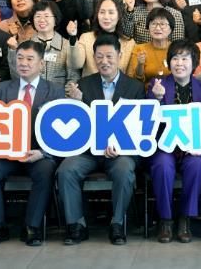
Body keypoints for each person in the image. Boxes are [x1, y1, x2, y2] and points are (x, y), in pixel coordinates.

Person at [59, 34, 146, 245]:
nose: (104, 61)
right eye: (99, 57)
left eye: (109, 56)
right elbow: (76, 124)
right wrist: (78, 102)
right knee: (66, 170)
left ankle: (117, 223)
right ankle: (76, 225)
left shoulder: (135, 87)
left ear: (119, 55)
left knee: (125, 169)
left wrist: (120, 146)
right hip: (88, 150)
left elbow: (138, 126)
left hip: (120, 152)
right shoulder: (83, 84)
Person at [0, 40, 65, 247]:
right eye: (19, 58)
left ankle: (32, 227)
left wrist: (43, 152)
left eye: (29, 59)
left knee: (45, 170)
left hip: (38, 153)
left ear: (41, 64)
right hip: (6, 154)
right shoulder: (2, 88)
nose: (23, 63)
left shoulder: (55, 91)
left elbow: (60, 133)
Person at [146, 40, 201, 243]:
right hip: (165, 147)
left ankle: (185, 219)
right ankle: (165, 220)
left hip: (192, 148)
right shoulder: (157, 85)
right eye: (175, 58)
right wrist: (156, 99)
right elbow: (146, 120)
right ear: (169, 62)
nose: (179, 63)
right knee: (162, 165)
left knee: (197, 165)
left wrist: (200, 145)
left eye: (184, 58)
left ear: (194, 63)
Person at [7, 0, 79, 87]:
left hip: (58, 94)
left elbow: (73, 78)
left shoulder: (67, 45)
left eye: (46, 16)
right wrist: (13, 50)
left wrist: (63, 95)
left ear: (55, 19)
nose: (41, 20)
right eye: (37, 16)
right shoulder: (25, 46)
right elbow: (17, 78)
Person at [73, 0, 134, 76]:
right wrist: (72, 38)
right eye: (102, 12)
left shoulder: (129, 43)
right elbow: (76, 64)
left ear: (119, 16)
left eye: (111, 12)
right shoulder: (86, 38)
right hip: (90, 83)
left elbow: (130, 76)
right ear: (97, 15)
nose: (106, 17)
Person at [126, 7, 173, 84]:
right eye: (153, 24)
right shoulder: (139, 49)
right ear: (148, 27)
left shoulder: (177, 49)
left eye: (162, 24)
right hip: (147, 90)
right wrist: (140, 64)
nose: (158, 28)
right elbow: (135, 81)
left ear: (171, 29)